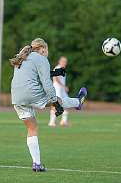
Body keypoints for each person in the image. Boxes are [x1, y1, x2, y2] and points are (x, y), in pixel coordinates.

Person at [10, 38, 87, 172]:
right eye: (47, 50)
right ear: (43, 49)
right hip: (31, 93)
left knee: (32, 129)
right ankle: (78, 102)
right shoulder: (41, 59)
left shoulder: (22, 56)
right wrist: (54, 102)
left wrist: (55, 73)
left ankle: (37, 164)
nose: (47, 53)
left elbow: (32, 75)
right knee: (58, 99)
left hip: (16, 96)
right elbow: (46, 83)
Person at [48, 56, 70, 127]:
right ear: (59, 61)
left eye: (65, 62)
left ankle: (63, 121)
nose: (65, 63)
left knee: (66, 103)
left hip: (61, 89)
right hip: (57, 88)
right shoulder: (57, 68)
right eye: (63, 61)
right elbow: (55, 78)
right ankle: (51, 122)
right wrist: (63, 86)